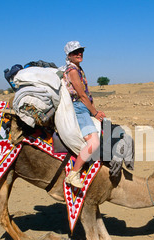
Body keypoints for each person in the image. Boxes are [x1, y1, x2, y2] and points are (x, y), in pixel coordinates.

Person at [62, 41, 106, 188]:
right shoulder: (73, 71)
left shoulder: (78, 68)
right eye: (75, 52)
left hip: (84, 107)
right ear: (69, 55)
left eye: (80, 51)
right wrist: (94, 112)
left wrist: (95, 112)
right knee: (94, 143)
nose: (79, 54)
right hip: (79, 108)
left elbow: (87, 94)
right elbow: (82, 95)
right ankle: (73, 174)